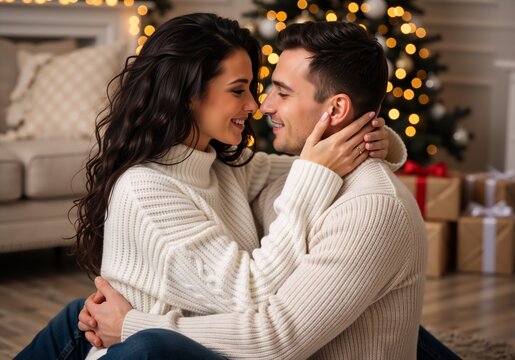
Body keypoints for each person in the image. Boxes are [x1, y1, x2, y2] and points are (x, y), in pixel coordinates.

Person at [14, 13, 398, 360]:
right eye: (238, 90)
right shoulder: (146, 190)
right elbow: (252, 292)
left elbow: (312, 164)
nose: (255, 105)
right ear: (188, 94)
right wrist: (317, 171)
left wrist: (375, 138)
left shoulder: (222, 166)